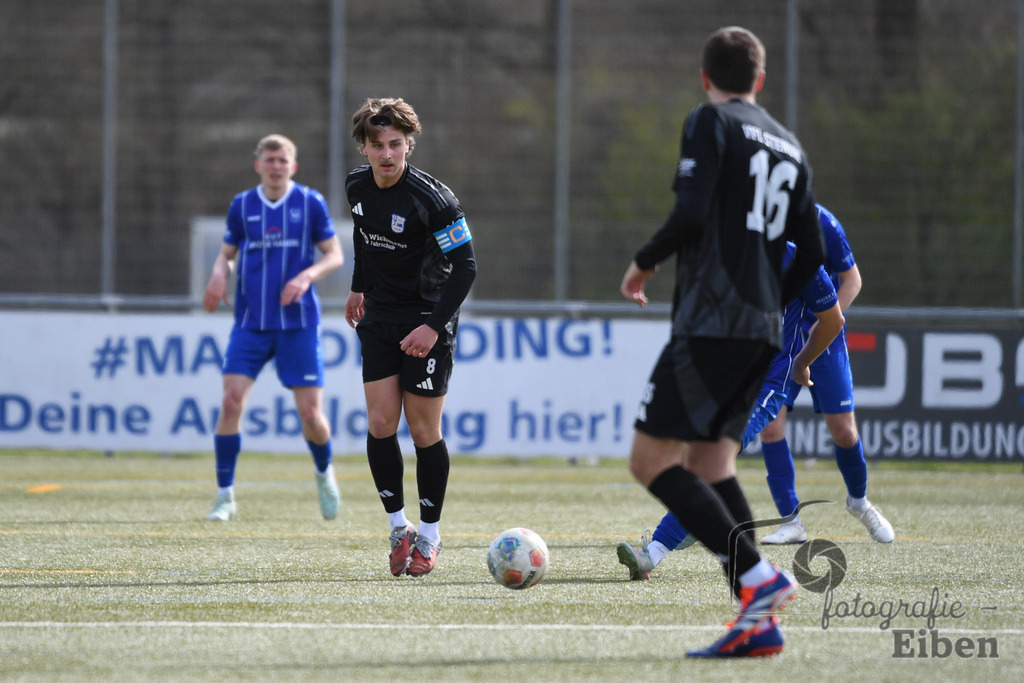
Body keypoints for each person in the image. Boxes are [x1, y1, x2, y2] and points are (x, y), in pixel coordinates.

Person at [618, 27, 824, 658]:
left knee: (650, 462)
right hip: (762, 328)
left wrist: (643, 262)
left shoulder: (709, 122)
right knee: (712, 465)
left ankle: (761, 580)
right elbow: (812, 253)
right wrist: (767, 295)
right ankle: (759, 625)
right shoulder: (791, 146)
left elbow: (690, 211)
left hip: (712, 323)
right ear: (759, 80)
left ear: (705, 78)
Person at [617, 241, 844, 579]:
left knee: (706, 462)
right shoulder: (726, 246)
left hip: (766, 386)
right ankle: (701, 528)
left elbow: (833, 319)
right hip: (724, 377)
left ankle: (655, 552)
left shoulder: (797, 257)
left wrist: (801, 362)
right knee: (690, 462)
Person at [344, 98, 477, 578]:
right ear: (363, 147)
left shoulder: (434, 200)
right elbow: (363, 238)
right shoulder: (356, 185)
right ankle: (398, 528)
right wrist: (358, 287)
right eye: (377, 145)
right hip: (379, 314)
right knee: (381, 422)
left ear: (409, 145)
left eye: (395, 144)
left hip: (427, 315)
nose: (386, 153)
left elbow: (466, 268)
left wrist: (432, 325)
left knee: (422, 431)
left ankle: (431, 535)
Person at [202, 134, 344, 522]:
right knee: (231, 402)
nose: (276, 166)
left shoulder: (309, 202)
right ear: (258, 165)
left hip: (297, 323)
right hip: (251, 322)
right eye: (270, 160)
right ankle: (225, 495)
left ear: (292, 166)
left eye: (283, 160)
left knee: (311, 415)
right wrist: (218, 275)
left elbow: (334, 255)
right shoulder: (243, 205)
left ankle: (323, 473)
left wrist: (306, 277)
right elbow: (225, 257)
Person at [757, 205, 893, 545]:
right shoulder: (756, 219)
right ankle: (791, 522)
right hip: (781, 338)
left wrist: (824, 322)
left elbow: (853, 280)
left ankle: (860, 503)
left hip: (824, 336)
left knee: (844, 432)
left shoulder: (823, 222)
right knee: (770, 426)